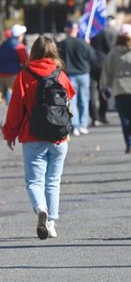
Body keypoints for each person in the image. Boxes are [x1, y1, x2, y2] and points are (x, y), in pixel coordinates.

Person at [2, 36, 75, 240]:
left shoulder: (25, 75)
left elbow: (16, 109)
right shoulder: (60, 74)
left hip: (32, 135)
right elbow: (71, 95)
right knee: (53, 180)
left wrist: (10, 133)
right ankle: (51, 223)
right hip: (59, 137)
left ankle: (41, 209)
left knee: (34, 181)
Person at [100, 24, 131, 154]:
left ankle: (129, 145)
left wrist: (104, 87)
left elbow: (106, 71)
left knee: (124, 118)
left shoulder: (113, 52)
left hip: (119, 89)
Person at [58, 22, 96, 136]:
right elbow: (93, 57)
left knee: (72, 101)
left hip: (69, 75)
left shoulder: (62, 44)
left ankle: (75, 125)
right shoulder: (83, 43)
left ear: (67, 30)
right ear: (76, 30)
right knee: (84, 99)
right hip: (83, 74)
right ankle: (83, 125)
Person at [0, 24, 29, 105]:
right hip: (13, 76)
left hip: (1, 75)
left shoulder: (3, 44)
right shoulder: (19, 46)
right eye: (22, 34)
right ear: (19, 36)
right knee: (15, 100)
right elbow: (26, 62)